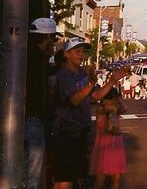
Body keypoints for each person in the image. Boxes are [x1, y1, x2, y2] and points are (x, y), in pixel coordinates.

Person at [51, 37, 126, 189]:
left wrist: (112, 81)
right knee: (65, 176)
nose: (81, 55)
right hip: (67, 129)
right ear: (66, 54)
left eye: (82, 52)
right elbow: (74, 100)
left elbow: (96, 95)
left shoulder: (81, 73)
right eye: (77, 52)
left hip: (80, 129)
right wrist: (91, 83)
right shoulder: (64, 74)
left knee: (73, 175)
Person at [25, 17, 60, 189]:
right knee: (33, 169)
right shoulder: (39, 61)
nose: (53, 42)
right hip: (34, 118)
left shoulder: (22, 55)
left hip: (22, 117)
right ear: (45, 37)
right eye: (53, 38)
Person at [90, 88, 127, 189]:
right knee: (101, 177)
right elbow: (116, 108)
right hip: (105, 143)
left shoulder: (113, 108)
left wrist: (118, 102)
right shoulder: (102, 108)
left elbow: (124, 108)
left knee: (115, 177)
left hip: (113, 143)